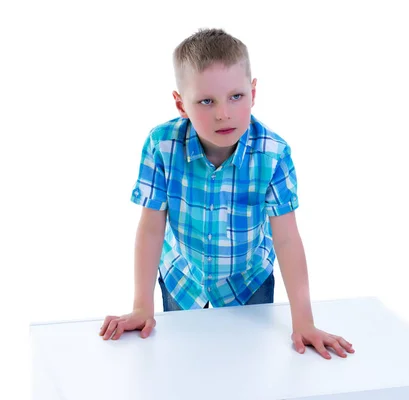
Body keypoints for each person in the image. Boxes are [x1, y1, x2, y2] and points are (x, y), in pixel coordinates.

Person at [98, 28, 354, 359]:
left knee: (246, 364)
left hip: (249, 284)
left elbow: (287, 239)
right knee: (185, 360)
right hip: (182, 280)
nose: (224, 113)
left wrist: (304, 321)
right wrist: (141, 305)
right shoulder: (161, 145)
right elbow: (150, 228)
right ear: (181, 104)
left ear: (253, 92)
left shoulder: (274, 154)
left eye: (236, 96)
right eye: (207, 101)